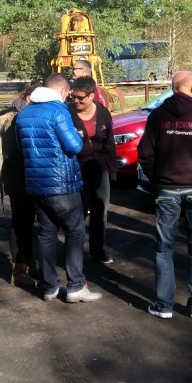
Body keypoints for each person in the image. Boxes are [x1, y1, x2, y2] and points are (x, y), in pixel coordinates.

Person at [137, 70, 192, 320]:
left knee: (163, 248)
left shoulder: (158, 116)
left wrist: (157, 179)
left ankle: (163, 305)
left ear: (173, 88)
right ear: (190, 89)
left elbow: (144, 153)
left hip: (167, 189)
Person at [16, 73, 101, 303]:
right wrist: (78, 135)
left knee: (46, 233)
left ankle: (49, 287)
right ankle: (75, 286)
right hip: (61, 183)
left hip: (35, 184)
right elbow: (73, 146)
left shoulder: (24, 113)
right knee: (75, 231)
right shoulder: (58, 110)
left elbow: (20, 145)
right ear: (63, 92)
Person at [0, 83, 39, 287]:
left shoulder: (19, 117)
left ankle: (28, 263)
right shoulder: (14, 121)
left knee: (26, 222)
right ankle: (19, 269)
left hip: (22, 176)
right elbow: (15, 156)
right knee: (20, 222)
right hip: (19, 178)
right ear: (26, 99)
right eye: (33, 100)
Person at [68, 75, 117, 265]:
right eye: (74, 97)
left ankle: (97, 250)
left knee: (100, 212)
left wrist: (111, 170)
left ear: (91, 96)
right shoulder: (68, 113)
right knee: (77, 213)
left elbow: (109, 143)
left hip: (99, 169)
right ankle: (75, 253)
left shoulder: (103, 113)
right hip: (76, 169)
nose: (76, 101)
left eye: (80, 98)